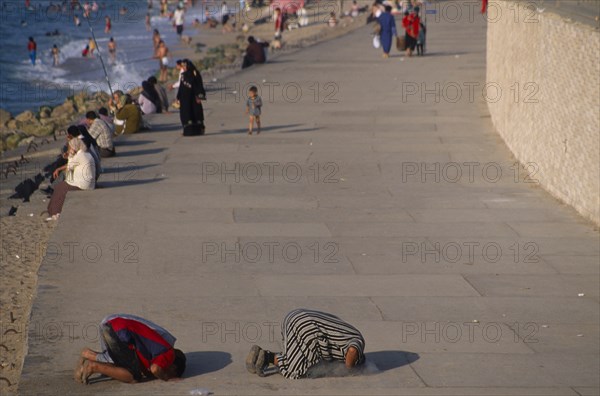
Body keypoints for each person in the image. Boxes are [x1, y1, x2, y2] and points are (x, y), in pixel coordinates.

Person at [246, 309, 365, 378]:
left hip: (295, 316)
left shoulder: (349, 332)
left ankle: (264, 356)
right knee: (299, 368)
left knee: (296, 355)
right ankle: (266, 357)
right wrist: (349, 369)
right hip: (306, 326)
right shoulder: (358, 341)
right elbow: (352, 351)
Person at [74, 314, 186, 384]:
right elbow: (155, 369)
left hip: (114, 324)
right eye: (171, 372)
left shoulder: (157, 348)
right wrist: (167, 378)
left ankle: (87, 354)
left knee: (118, 365)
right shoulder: (168, 353)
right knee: (133, 376)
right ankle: (93, 366)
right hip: (120, 331)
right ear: (173, 367)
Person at [46, 138, 95, 220]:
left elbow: (69, 166)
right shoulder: (85, 153)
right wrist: (70, 156)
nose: (69, 149)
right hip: (89, 183)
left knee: (60, 188)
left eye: (70, 147)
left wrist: (69, 156)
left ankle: (55, 212)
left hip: (82, 185)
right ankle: (51, 210)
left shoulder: (80, 156)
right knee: (61, 186)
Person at [177, 59, 206, 136]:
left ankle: (199, 130)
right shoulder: (183, 75)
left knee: (196, 113)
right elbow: (181, 87)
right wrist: (178, 97)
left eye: (184, 66)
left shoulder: (195, 73)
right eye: (182, 66)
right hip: (185, 99)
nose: (183, 67)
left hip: (194, 98)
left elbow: (199, 85)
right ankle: (187, 132)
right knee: (186, 114)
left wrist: (200, 97)